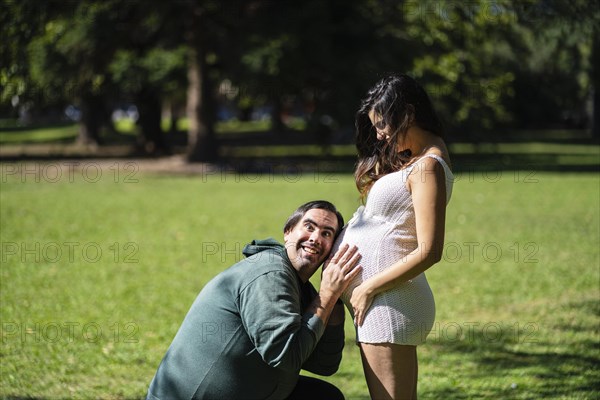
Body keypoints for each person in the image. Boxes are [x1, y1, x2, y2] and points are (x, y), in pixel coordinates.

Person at [147, 200, 362, 400]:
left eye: (326, 233)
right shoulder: (270, 273)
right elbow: (286, 356)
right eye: (309, 227)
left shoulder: (302, 288)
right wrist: (327, 295)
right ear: (288, 232)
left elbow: (325, 364)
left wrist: (334, 299)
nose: (315, 238)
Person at [333, 74, 454, 399]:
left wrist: (367, 288)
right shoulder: (415, 162)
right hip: (381, 300)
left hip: (388, 301)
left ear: (409, 113)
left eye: (383, 123)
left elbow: (430, 251)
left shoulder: (429, 167)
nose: (379, 133)